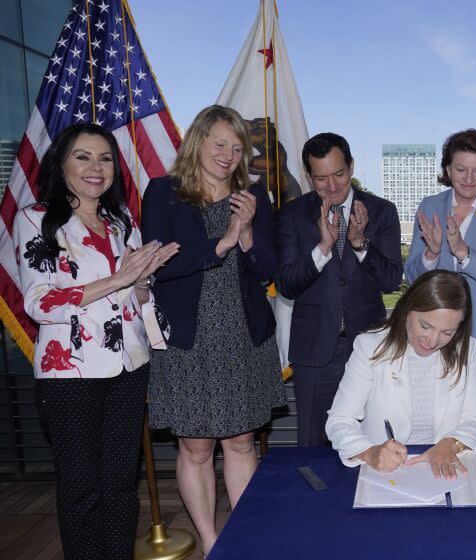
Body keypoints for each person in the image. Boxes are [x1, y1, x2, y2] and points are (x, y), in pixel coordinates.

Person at [14, 123, 178, 560]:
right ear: (62, 163)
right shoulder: (35, 219)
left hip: (128, 367)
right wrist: (118, 278)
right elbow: (40, 302)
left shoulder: (121, 221)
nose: (96, 167)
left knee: (121, 481)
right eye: (83, 156)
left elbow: (136, 298)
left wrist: (142, 281)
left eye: (105, 158)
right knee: (82, 485)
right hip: (69, 373)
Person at [142, 105, 287, 556]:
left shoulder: (253, 197)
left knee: (242, 440)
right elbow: (159, 266)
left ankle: (242, 538)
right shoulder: (164, 192)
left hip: (243, 335)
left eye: (237, 147)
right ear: (198, 141)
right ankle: (210, 540)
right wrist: (222, 241)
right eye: (219, 143)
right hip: (188, 339)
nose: (227, 155)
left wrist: (245, 238)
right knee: (197, 446)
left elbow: (269, 269)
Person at [275, 132, 402, 447]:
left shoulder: (382, 211)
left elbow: (391, 281)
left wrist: (361, 245)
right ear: (308, 176)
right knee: (313, 448)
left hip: (370, 349)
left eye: (339, 175)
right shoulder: (292, 216)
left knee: (371, 444)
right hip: (314, 352)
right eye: (321, 178)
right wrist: (322, 249)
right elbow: (286, 286)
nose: (331, 186)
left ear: (352, 167)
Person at [405, 129, 476, 442]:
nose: (469, 178)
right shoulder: (430, 206)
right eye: (460, 169)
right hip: (436, 339)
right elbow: (412, 277)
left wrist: (464, 254)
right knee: (437, 427)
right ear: (447, 170)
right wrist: (430, 253)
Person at [326, 269, 476, 477]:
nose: (432, 341)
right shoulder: (370, 346)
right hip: (385, 472)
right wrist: (369, 452)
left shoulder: (466, 350)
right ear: (407, 310)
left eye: (447, 332)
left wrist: (451, 444)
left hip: (444, 466)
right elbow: (339, 420)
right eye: (425, 326)